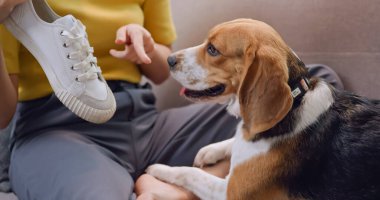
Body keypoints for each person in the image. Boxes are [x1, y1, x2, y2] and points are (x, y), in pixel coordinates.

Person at [0, 0, 344, 200]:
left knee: (310, 90)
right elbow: (3, 115)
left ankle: (191, 189)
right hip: (58, 130)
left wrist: (147, 50)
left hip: (145, 123)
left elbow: (163, 71)